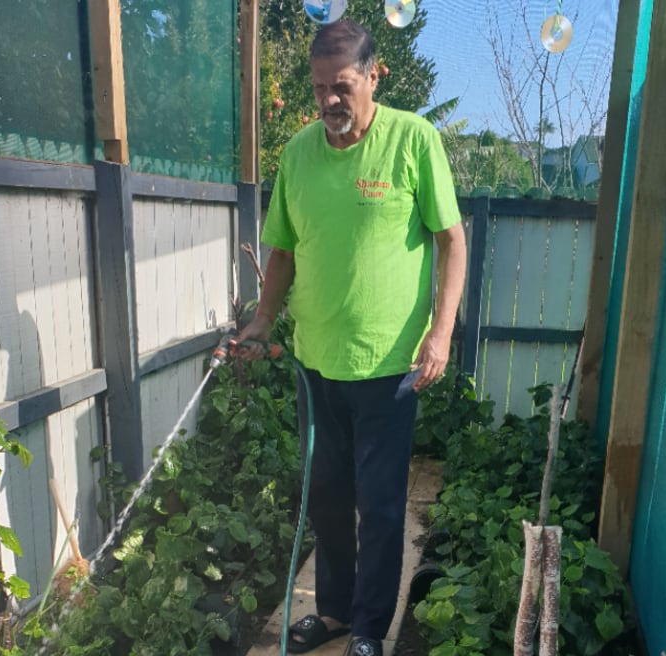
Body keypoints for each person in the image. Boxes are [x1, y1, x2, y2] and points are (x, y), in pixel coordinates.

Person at [236, 19, 467, 656]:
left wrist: (440, 335)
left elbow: (453, 244)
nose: (329, 101)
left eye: (342, 87)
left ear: (373, 76)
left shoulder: (413, 141)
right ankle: (334, 612)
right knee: (329, 501)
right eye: (319, 90)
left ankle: (368, 628)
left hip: (390, 367)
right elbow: (281, 252)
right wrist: (262, 320)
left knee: (383, 507)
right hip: (316, 363)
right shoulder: (298, 154)